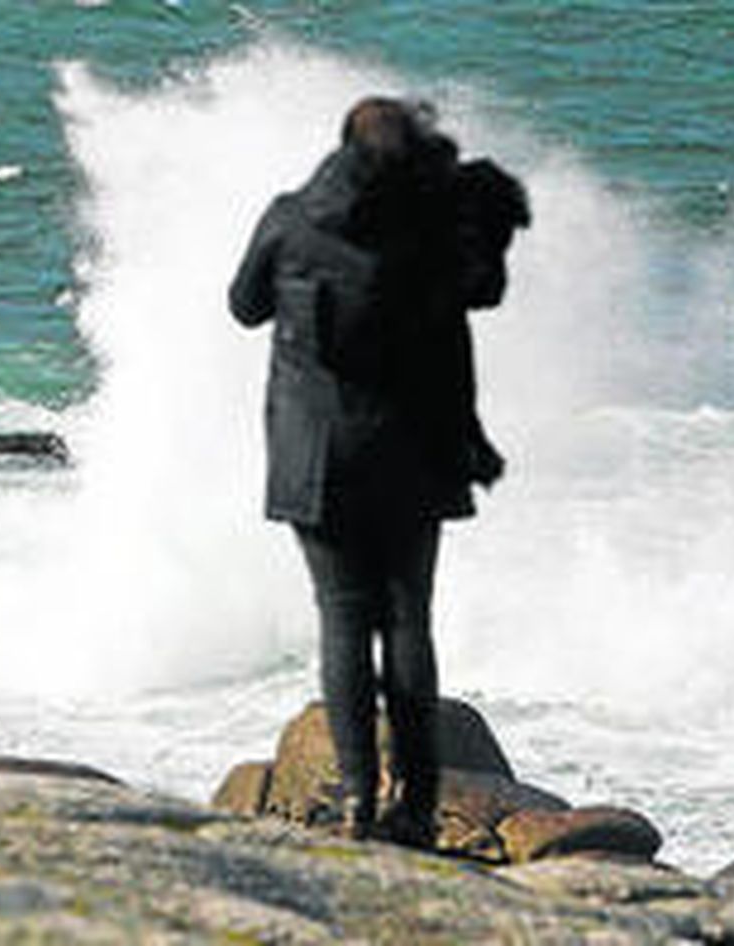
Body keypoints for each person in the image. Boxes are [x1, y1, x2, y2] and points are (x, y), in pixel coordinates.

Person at [228, 97, 527, 846]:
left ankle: (360, 800)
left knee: (341, 619)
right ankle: (416, 806)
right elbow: (484, 292)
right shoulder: (427, 232)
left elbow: (243, 306)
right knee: (407, 621)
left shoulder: (291, 219)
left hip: (315, 457)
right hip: (414, 455)